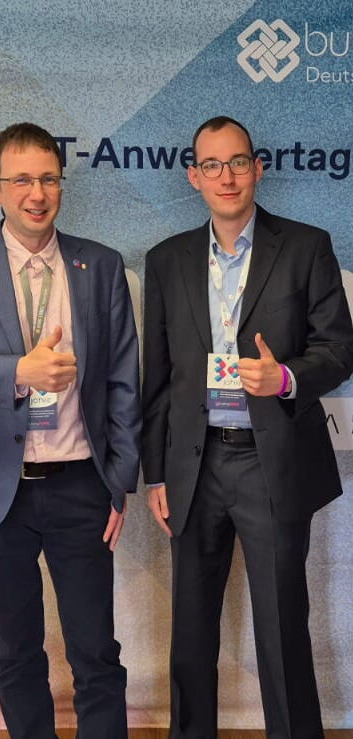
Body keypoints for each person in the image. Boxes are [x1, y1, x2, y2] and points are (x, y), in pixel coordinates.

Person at [0, 122, 141, 739]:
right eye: (21, 180)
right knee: (17, 652)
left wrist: (119, 483)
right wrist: (19, 370)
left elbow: (123, 378)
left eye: (47, 179)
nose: (36, 193)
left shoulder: (100, 264)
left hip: (81, 486)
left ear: (60, 185)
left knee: (97, 652)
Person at [142, 115, 353, 739]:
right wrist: (156, 473)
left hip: (273, 462)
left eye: (238, 162)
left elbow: (339, 349)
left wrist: (284, 377)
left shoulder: (307, 247)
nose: (227, 176)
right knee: (190, 633)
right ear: (194, 177)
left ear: (258, 168)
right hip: (194, 466)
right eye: (212, 165)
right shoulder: (166, 260)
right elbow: (159, 377)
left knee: (283, 629)